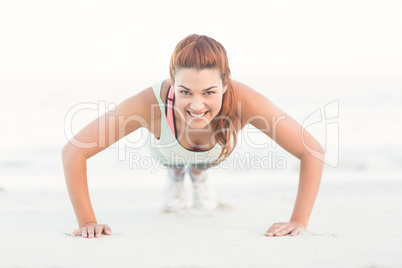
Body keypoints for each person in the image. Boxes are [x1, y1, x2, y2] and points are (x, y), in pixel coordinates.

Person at [61, 34, 325, 239]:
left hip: (213, 152)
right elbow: (74, 151)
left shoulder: (244, 100)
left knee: (202, 163)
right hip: (165, 149)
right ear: (172, 82)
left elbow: (311, 150)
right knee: (174, 162)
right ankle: (177, 173)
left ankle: (197, 173)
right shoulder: (148, 102)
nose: (197, 106)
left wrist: (298, 221)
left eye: (209, 92)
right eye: (185, 92)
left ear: (225, 84)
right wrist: (87, 222)